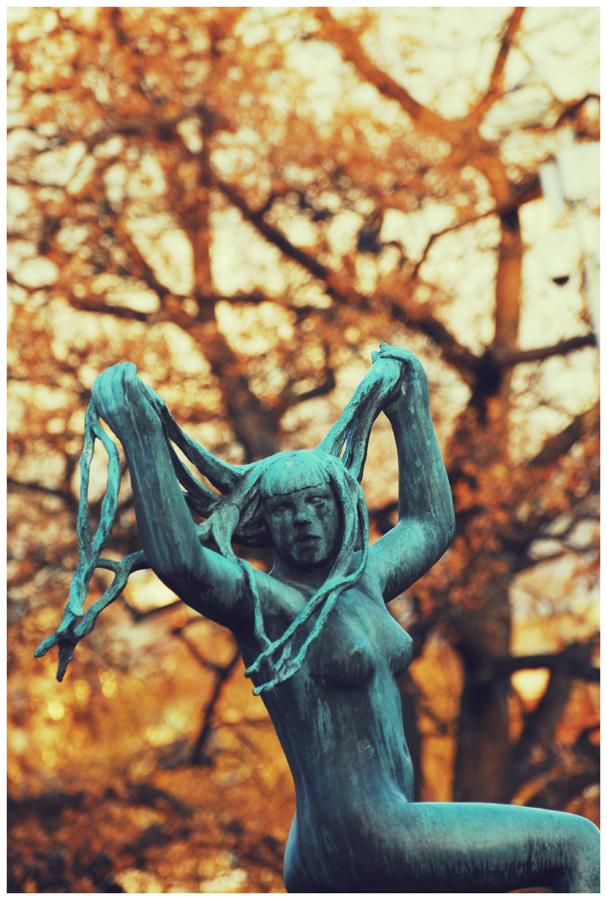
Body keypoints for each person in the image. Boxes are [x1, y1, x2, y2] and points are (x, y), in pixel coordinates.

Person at [36, 344, 599, 892]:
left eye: (317, 503)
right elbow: (182, 562)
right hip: (365, 835)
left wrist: (409, 401)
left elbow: (428, 525)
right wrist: (142, 436)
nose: (303, 519)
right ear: (263, 523)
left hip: (341, 843)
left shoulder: (364, 581)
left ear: (341, 506)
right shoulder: (267, 601)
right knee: (579, 846)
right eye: (284, 509)